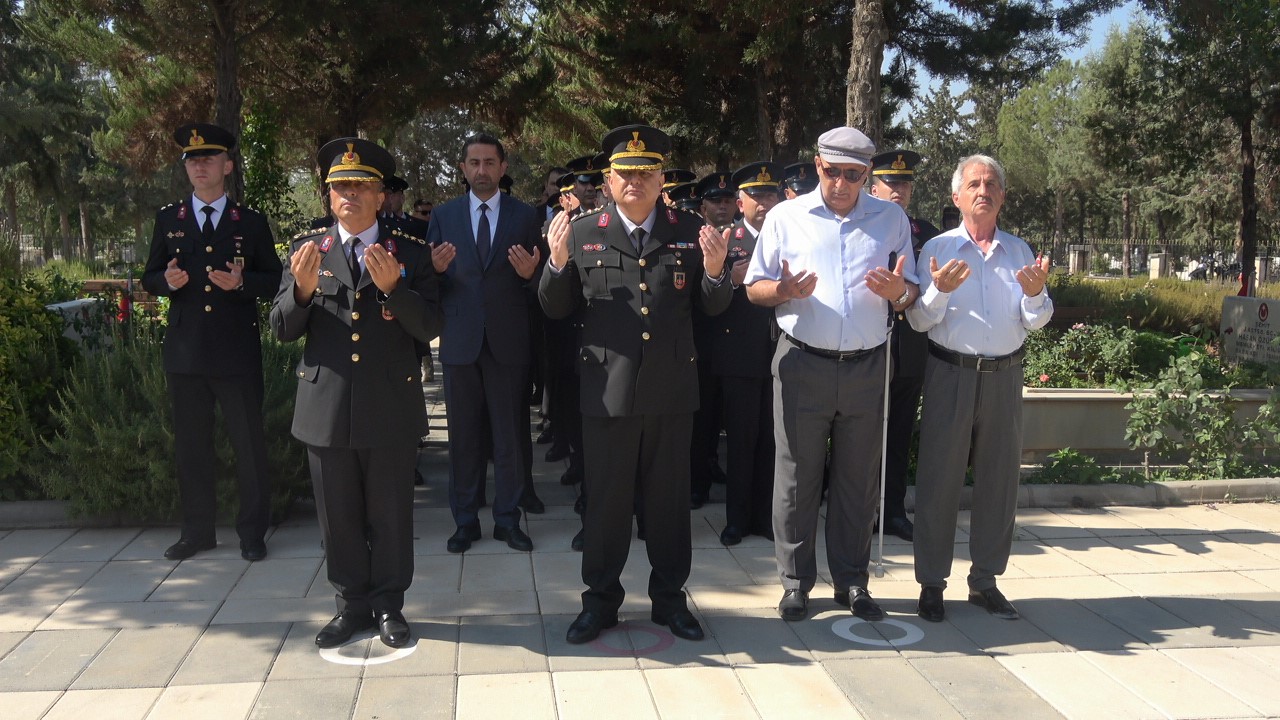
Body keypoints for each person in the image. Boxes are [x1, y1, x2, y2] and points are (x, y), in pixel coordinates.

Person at [540, 124, 731, 644]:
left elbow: (713, 310)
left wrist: (716, 273)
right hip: (606, 393)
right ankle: (599, 602)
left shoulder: (690, 230)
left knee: (668, 505)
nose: (635, 182)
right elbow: (554, 308)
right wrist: (556, 265)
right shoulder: (582, 232)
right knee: (605, 505)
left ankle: (670, 600)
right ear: (607, 179)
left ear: (661, 178)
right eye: (625, 173)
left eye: (646, 173)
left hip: (670, 391)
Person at [271, 137, 442, 648]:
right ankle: (350, 606)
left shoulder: (409, 251)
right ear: (327, 197)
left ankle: (389, 606)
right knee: (338, 517)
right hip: (326, 408)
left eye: (361, 185)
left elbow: (431, 324)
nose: (350, 194)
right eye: (340, 186)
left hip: (389, 405)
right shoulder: (307, 250)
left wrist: (396, 292)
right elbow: (281, 327)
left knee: (390, 514)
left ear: (379, 194)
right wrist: (301, 292)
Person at [744, 126, 918, 622]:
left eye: (853, 175)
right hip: (802, 362)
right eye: (831, 171)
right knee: (797, 478)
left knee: (858, 480)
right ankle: (796, 582)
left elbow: (911, 293)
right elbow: (754, 287)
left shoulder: (890, 218)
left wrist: (896, 295)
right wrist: (782, 291)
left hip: (867, 365)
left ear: (867, 175)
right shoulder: (786, 217)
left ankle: (852, 580)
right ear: (817, 165)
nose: (841, 183)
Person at [907, 154, 1053, 623]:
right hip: (950, 375)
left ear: (1003, 197)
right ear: (957, 196)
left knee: (999, 484)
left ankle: (985, 580)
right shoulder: (938, 249)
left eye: (992, 184)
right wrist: (940, 290)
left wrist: (1035, 294)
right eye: (974, 184)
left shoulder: (1019, 251)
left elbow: (1035, 321)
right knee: (938, 482)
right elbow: (918, 319)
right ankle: (932, 583)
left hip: (1005, 376)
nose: (983, 191)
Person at [142, 123, 282, 563]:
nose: (198, 165)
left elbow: (275, 280)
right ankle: (197, 531)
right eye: (191, 159)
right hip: (186, 352)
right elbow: (150, 275)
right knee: (191, 448)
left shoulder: (250, 222)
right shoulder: (169, 219)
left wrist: (243, 282)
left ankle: (253, 532)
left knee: (248, 447)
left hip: (235, 351)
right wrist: (164, 281)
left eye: (207, 158)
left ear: (227, 166)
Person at [427, 133, 543, 554]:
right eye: (473, 163)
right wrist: (435, 272)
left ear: (503, 167)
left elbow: (541, 286)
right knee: (462, 437)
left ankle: (508, 520)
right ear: (462, 168)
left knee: (509, 436)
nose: (481, 171)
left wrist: (533, 275)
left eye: (489, 162)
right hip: (460, 344)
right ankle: (465, 521)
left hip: (507, 342)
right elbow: (430, 285)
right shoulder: (444, 216)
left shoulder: (525, 216)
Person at [705, 162, 783, 546]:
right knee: (739, 440)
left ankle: (766, 518)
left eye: (770, 194)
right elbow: (707, 303)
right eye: (756, 196)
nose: (764, 203)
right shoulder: (726, 239)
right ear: (740, 202)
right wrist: (728, 279)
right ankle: (736, 519)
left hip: (782, 353)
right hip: (739, 355)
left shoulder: (789, 237)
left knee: (772, 440)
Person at [866, 150, 940, 542]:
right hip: (869, 347)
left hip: (908, 347)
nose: (898, 190)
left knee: (898, 436)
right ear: (873, 186)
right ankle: (858, 511)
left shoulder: (925, 234)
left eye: (904, 183)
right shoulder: (862, 226)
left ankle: (892, 510)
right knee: (861, 438)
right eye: (890, 183)